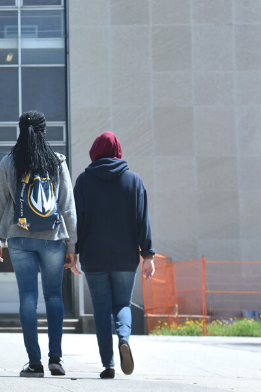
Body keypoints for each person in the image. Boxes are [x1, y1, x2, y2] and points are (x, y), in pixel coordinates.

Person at [0, 110, 78, 378]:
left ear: (20, 130)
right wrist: (72, 246)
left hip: (19, 237)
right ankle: (56, 360)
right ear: (44, 131)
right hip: (52, 239)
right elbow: (68, 207)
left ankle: (34, 362)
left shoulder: (9, 162)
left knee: (27, 297)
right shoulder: (57, 161)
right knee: (53, 296)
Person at [74, 131, 156, 379]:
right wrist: (148, 254)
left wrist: (73, 252)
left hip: (94, 257)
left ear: (94, 151)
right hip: (125, 257)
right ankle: (123, 339)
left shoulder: (83, 181)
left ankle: (108, 364)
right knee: (121, 304)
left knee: (100, 308)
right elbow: (143, 221)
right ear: (118, 150)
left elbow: (78, 220)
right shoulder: (133, 181)